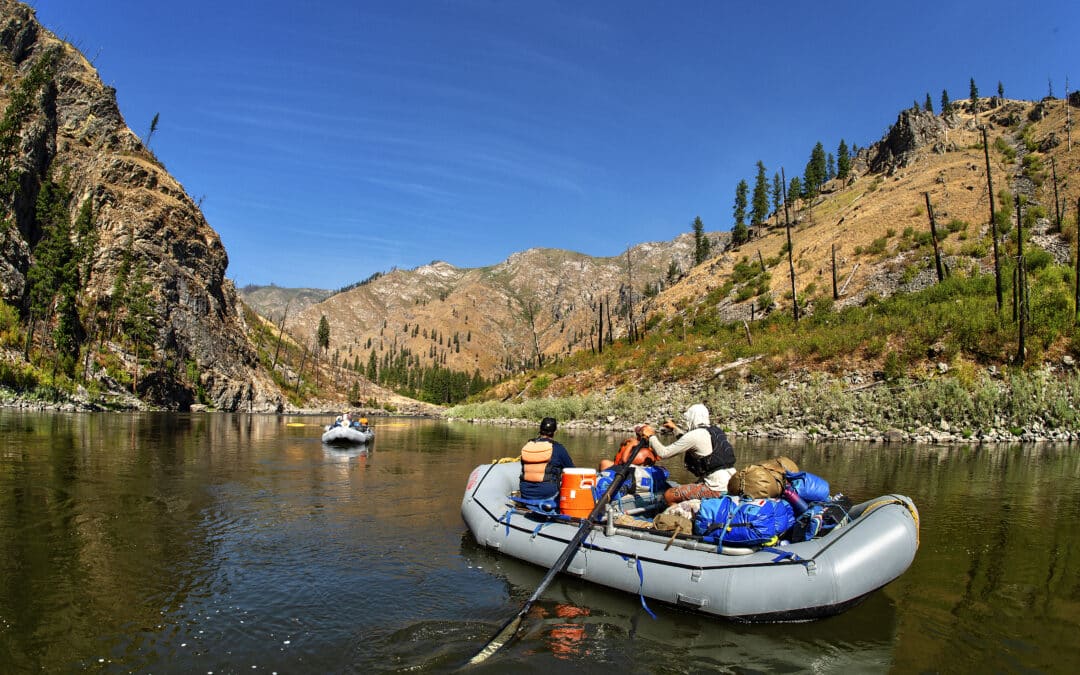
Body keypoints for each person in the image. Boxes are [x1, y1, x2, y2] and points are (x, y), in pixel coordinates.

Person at [635, 403, 736, 505]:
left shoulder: (695, 435)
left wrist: (651, 436)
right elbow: (690, 441)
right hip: (731, 482)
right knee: (689, 489)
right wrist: (674, 429)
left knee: (669, 495)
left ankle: (679, 519)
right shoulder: (716, 431)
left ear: (691, 418)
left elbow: (663, 453)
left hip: (715, 486)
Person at [519, 417, 575, 501]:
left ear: (540, 429)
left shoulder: (528, 445)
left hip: (525, 491)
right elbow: (572, 470)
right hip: (547, 494)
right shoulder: (558, 448)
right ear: (555, 431)